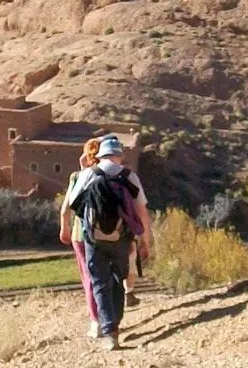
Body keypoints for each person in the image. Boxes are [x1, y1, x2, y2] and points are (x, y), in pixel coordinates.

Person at [60, 136, 151, 351]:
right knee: (118, 279)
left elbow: (73, 204)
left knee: (100, 283)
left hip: (94, 239)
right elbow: (142, 213)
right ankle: (116, 323)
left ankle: (110, 332)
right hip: (122, 239)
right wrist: (145, 242)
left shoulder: (89, 174)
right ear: (119, 155)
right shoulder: (130, 176)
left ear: (100, 155)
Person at [62, 138, 104, 337]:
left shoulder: (77, 176)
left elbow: (66, 208)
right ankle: (110, 318)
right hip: (107, 232)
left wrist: (64, 228)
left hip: (81, 233)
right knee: (106, 275)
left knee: (88, 277)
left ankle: (95, 321)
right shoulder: (111, 174)